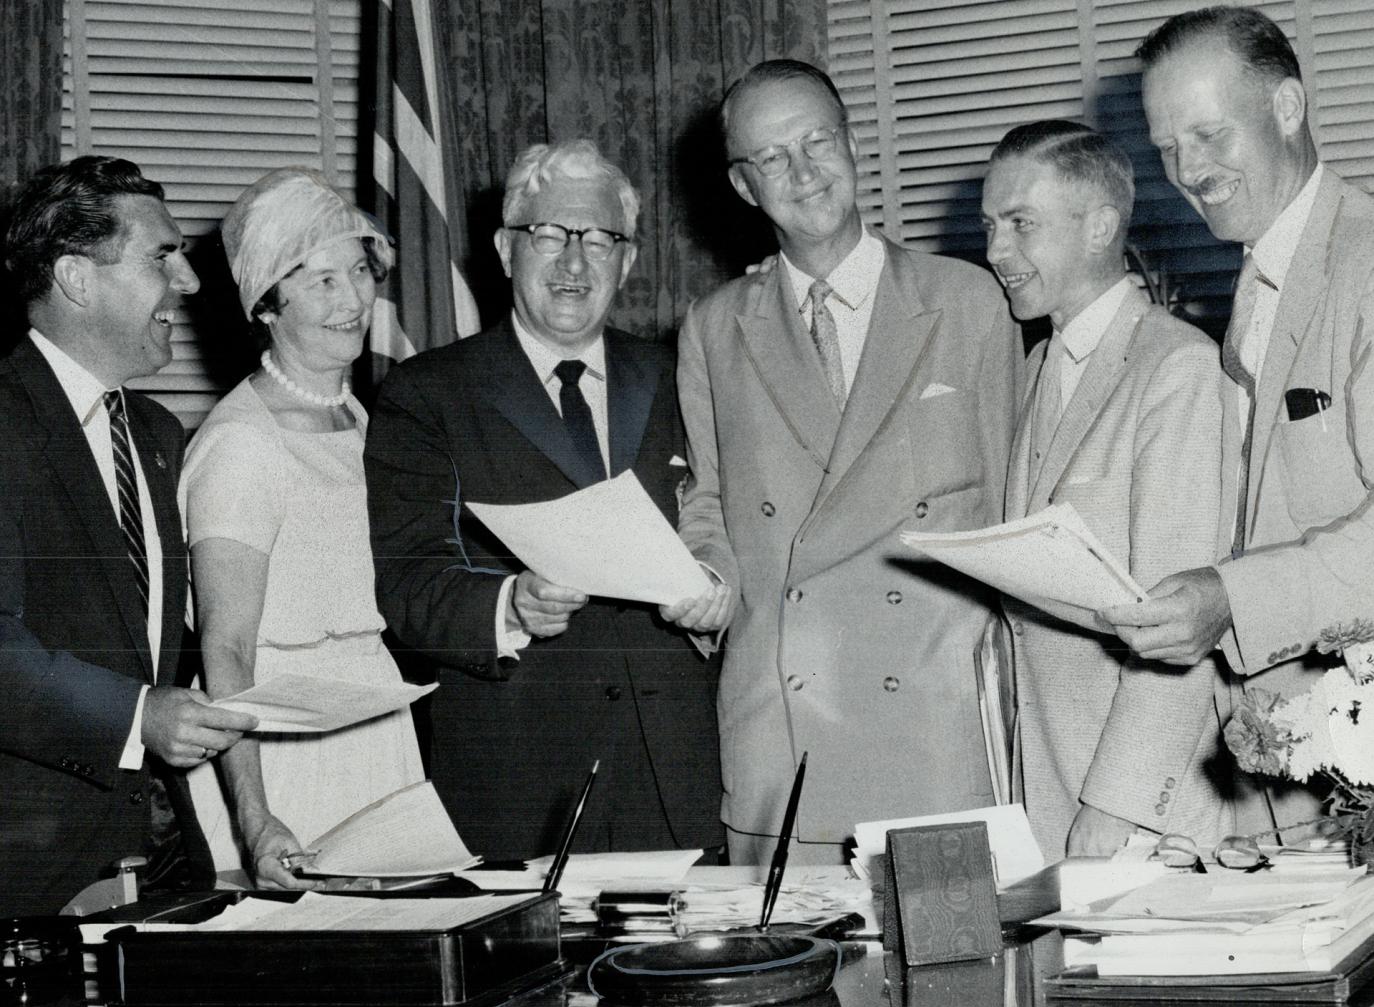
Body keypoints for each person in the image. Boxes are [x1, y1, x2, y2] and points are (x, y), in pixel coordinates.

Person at [664, 59, 1020, 866]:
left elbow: (1012, 504)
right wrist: (705, 579)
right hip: (785, 732)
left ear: (854, 146)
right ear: (745, 188)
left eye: (818, 141)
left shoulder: (971, 301)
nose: (804, 171)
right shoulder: (715, 328)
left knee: (956, 987)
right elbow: (711, 503)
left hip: (935, 732)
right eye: (773, 158)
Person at [365, 139, 722, 861]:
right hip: (518, 780)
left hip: (676, 777)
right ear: (504, 249)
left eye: (599, 239)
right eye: (549, 235)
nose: (573, 263)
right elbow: (406, 580)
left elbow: (722, 518)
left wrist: (715, 585)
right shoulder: (426, 393)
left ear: (627, 260)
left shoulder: (679, 376)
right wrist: (509, 607)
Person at [1100, 6, 1374, 826]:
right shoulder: (1257, 281)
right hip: (1281, 775)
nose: (1189, 169)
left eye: (1210, 134)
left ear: (1288, 107)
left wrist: (1231, 596)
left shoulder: (1365, 267)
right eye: (1166, 148)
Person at [0, 156, 257, 915]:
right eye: (161, 256)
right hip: (30, 874)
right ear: (78, 279)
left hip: (158, 859)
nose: (190, 282)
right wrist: (138, 717)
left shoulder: (154, 432)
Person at [983, 120, 1234, 859]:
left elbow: (1177, 627)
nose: (997, 251)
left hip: (1139, 814)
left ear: (1099, 225)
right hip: (1050, 787)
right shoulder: (1037, 368)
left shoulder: (1176, 367)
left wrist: (1113, 806)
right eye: (991, 226)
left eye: (1021, 224)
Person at [180, 167, 423, 887]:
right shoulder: (242, 443)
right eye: (320, 281)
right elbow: (225, 647)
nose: (352, 299)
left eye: (358, 270)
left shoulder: (361, 418)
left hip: (373, 721)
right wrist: (255, 817)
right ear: (266, 301)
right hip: (283, 741)